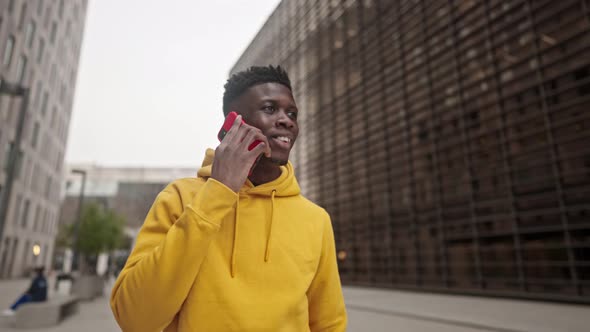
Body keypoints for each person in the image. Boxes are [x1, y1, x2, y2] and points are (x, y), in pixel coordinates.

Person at [110, 65, 347, 331]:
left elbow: (329, 323)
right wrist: (217, 194)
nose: (286, 120)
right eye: (270, 109)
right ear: (232, 124)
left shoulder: (315, 220)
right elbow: (134, 318)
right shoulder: (180, 197)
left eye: (291, 113)